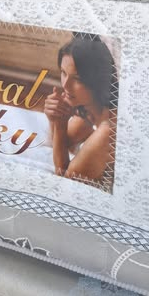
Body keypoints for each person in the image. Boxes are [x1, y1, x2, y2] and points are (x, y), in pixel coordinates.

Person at [44, 36, 118, 189]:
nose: (65, 85)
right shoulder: (90, 111)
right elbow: (59, 143)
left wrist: (59, 124)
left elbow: (65, 180)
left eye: (77, 79)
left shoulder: (108, 130)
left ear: (97, 81)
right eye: (63, 73)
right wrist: (55, 118)